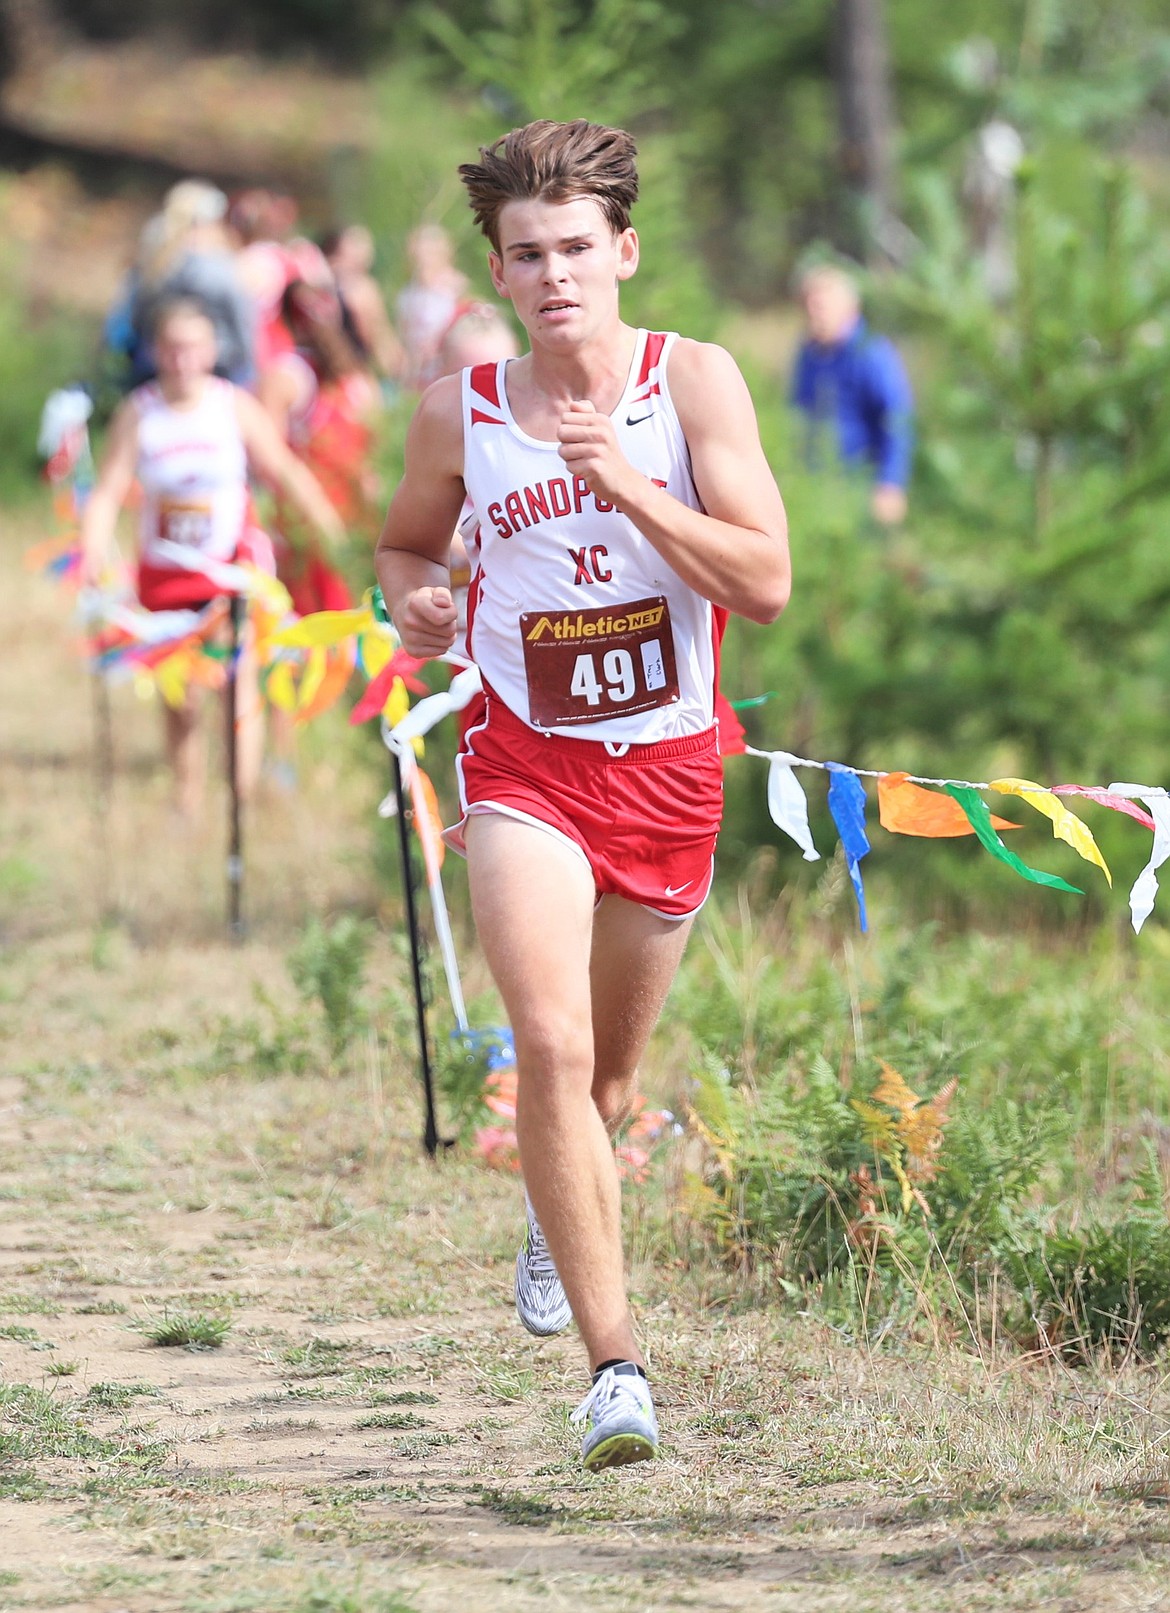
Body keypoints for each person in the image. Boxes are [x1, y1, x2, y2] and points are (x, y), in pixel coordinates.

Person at [375, 119, 789, 1471]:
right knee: (545, 1048)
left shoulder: (694, 385)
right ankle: (618, 1372)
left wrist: (626, 485)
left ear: (621, 252)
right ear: (498, 272)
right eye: (524, 253)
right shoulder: (463, 409)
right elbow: (400, 539)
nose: (552, 273)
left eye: (572, 249)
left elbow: (763, 581)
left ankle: (564, 1210)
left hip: (669, 772)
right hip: (523, 770)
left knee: (606, 1076)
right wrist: (415, 599)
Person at [80, 297, 344, 818]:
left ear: (210, 351)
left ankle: (239, 805)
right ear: (157, 352)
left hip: (231, 568)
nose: (182, 359)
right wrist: (93, 551)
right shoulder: (140, 412)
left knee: (237, 678)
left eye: (193, 347)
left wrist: (330, 529)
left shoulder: (232, 405)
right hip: (165, 574)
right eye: (172, 348)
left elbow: (282, 470)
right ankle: (188, 800)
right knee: (182, 695)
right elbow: (108, 490)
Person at [258, 277, 381, 616]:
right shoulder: (292, 374)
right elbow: (270, 458)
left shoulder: (353, 377)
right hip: (308, 523)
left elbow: (373, 458)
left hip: (354, 522)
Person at [791, 263, 914, 526]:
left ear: (849, 308)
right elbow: (797, 413)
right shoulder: (809, 355)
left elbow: (897, 420)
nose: (815, 313)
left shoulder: (871, 353)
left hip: (860, 485)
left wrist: (891, 483)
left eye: (823, 305)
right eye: (810, 305)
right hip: (816, 484)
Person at [127, 180, 256, 387]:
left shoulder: (154, 263)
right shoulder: (218, 267)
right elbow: (242, 326)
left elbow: (137, 319)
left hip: (156, 369)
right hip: (218, 371)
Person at [322, 223, 407, 385]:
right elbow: (374, 331)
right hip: (357, 367)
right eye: (359, 244)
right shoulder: (361, 286)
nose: (367, 250)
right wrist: (393, 365)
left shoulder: (321, 278)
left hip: (329, 366)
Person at [395, 223, 469, 389]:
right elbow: (404, 332)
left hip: (446, 366)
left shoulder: (456, 287)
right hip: (416, 371)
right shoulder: (409, 292)